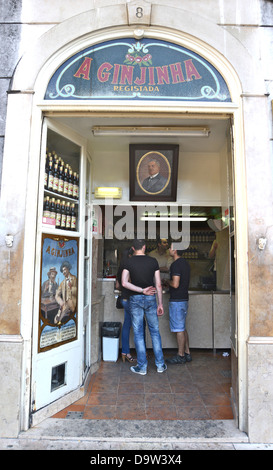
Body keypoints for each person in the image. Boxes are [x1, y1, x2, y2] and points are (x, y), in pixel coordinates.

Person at [122, 239, 167, 375]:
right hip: (151, 298)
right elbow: (158, 284)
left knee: (138, 333)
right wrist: (160, 303)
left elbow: (124, 283)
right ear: (144, 247)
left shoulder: (128, 262)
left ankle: (142, 367)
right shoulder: (153, 261)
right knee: (154, 331)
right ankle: (160, 365)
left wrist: (141, 290)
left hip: (135, 298)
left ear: (133, 248)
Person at [163, 243, 192, 364]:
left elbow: (175, 284)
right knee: (182, 327)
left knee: (179, 329)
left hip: (177, 300)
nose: (169, 249)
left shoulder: (175, 265)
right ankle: (187, 353)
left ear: (175, 251)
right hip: (184, 298)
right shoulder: (185, 263)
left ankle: (180, 355)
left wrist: (166, 281)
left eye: (170, 248)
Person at [115, 248, 136, 363]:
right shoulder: (130, 268)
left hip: (124, 298)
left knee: (127, 325)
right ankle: (137, 352)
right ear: (130, 256)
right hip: (130, 299)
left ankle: (125, 352)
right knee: (139, 325)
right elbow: (130, 282)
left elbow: (118, 286)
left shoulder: (121, 268)